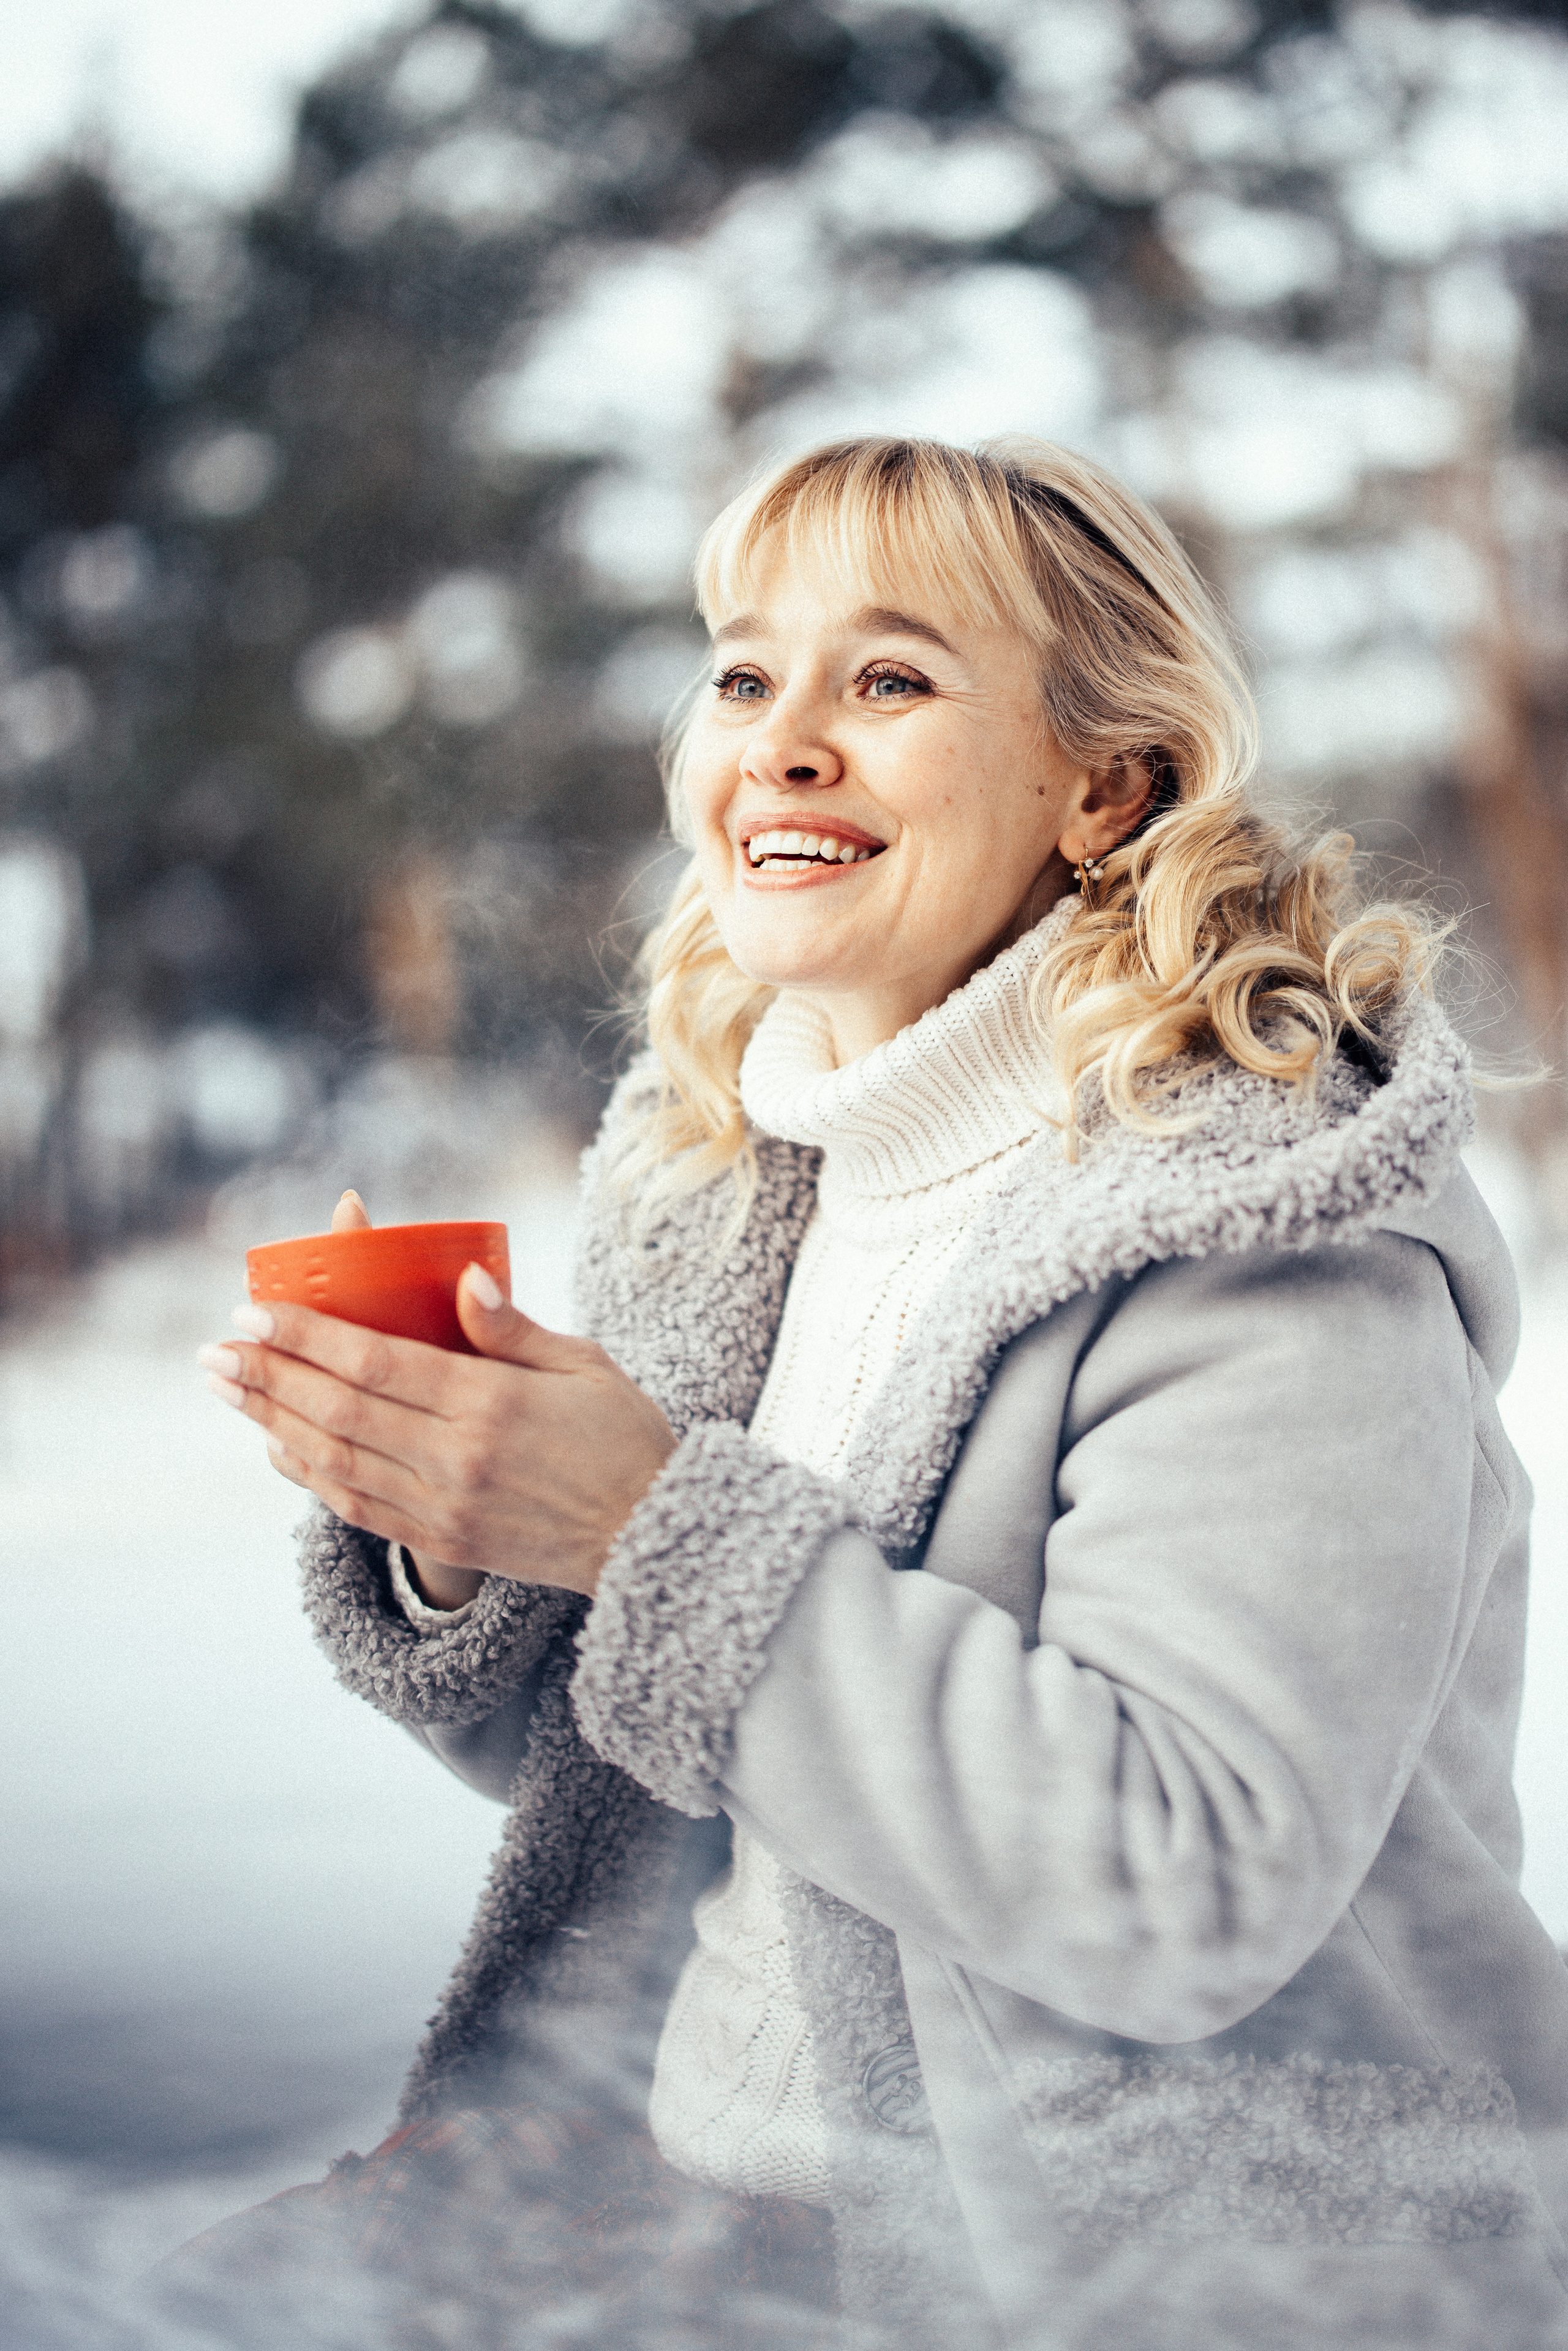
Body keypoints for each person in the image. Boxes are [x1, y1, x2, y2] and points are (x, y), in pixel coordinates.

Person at [193, 437, 1568, 2349]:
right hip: (687, 2179)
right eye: (746, 675)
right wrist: (469, 1523)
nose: (783, 743)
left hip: (1124, 2262)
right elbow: (666, 1758)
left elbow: (1176, 1884)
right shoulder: (732, 1177)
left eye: (892, 679)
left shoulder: (1258, 1233)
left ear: (1108, 786)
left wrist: (643, 1523)